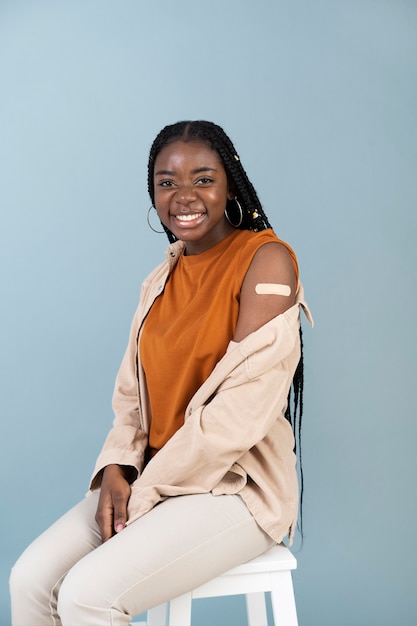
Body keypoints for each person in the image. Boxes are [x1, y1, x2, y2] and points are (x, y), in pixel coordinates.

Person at [10, 120, 313, 625]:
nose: (184, 196)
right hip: (152, 476)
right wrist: (116, 470)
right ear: (152, 193)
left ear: (230, 183)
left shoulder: (266, 261)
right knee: (30, 581)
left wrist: (147, 492)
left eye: (203, 178)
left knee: (88, 594)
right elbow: (131, 402)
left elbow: (235, 423)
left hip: (234, 488)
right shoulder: (160, 280)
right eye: (166, 183)